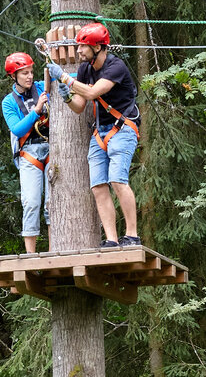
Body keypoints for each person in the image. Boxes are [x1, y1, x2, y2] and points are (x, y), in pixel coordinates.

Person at [46, 23, 141, 249]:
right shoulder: (85, 69)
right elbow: (80, 105)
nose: (78, 51)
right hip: (100, 132)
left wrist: (65, 79)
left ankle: (132, 235)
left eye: (83, 46)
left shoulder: (115, 67)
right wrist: (67, 97)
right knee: (98, 185)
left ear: (98, 47)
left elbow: (91, 92)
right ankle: (112, 239)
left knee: (118, 180)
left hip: (123, 128)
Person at [1, 52, 50, 254]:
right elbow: (17, 129)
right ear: (14, 76)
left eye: (31, 72)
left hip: (51, 148)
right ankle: (31, 254)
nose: (29, 76)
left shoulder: (41, 87)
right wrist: (37, 110)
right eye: (24, 73)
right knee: (31, 201)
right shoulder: (9, 102)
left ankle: (58, 248)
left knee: (52, 202)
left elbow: (64, 75)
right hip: (29, 153)